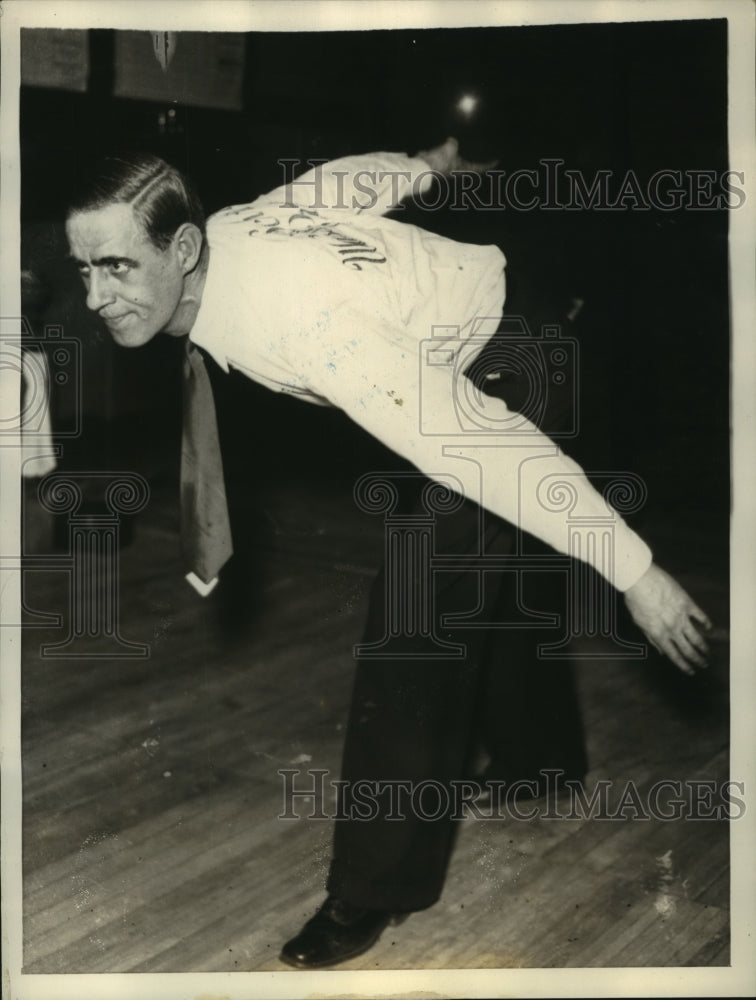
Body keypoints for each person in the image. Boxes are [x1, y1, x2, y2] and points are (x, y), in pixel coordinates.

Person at [64, 138, 711, 968]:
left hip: (511, 358)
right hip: (495, 310)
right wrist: (421, 165)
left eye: (116, 268)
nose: (95, 297)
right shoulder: (229, 229)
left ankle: (371, 888)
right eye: (85, 270)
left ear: (183, 251)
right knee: (473, 566)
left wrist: (635, 571)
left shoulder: (308, 328)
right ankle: (539, 763)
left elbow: (481, 444)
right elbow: (334, 187)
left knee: (419, 611)